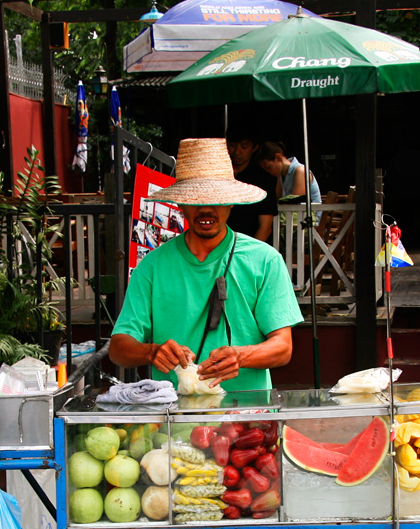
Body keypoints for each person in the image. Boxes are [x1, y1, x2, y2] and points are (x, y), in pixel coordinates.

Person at [109, 137, 303, 392]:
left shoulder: (265, 261)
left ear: (232, 202)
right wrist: (151, 352)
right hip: (173, 418)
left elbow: (283, 347)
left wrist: (241, 356)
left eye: (216, 200)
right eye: (195, 200)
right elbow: (119, 347)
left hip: (248, 417)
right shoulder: (153, 266)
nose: (206, 210)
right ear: (180, 203)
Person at [225, 126, 278, 243]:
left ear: (254, 148)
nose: (237, 152)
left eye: (244, 146)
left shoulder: (264, 179)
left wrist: (248, 253)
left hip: (250, 244)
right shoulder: (217, 175)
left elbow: (265, 227)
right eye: (233, 145)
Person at [259, 140, 322, 205]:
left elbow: (296, 204)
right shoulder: (281, 176)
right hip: (291, 212)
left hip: (310, 213)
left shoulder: (300, 171)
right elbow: (278, 200)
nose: (269, 172)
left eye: (269, 167)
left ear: (278, 157)